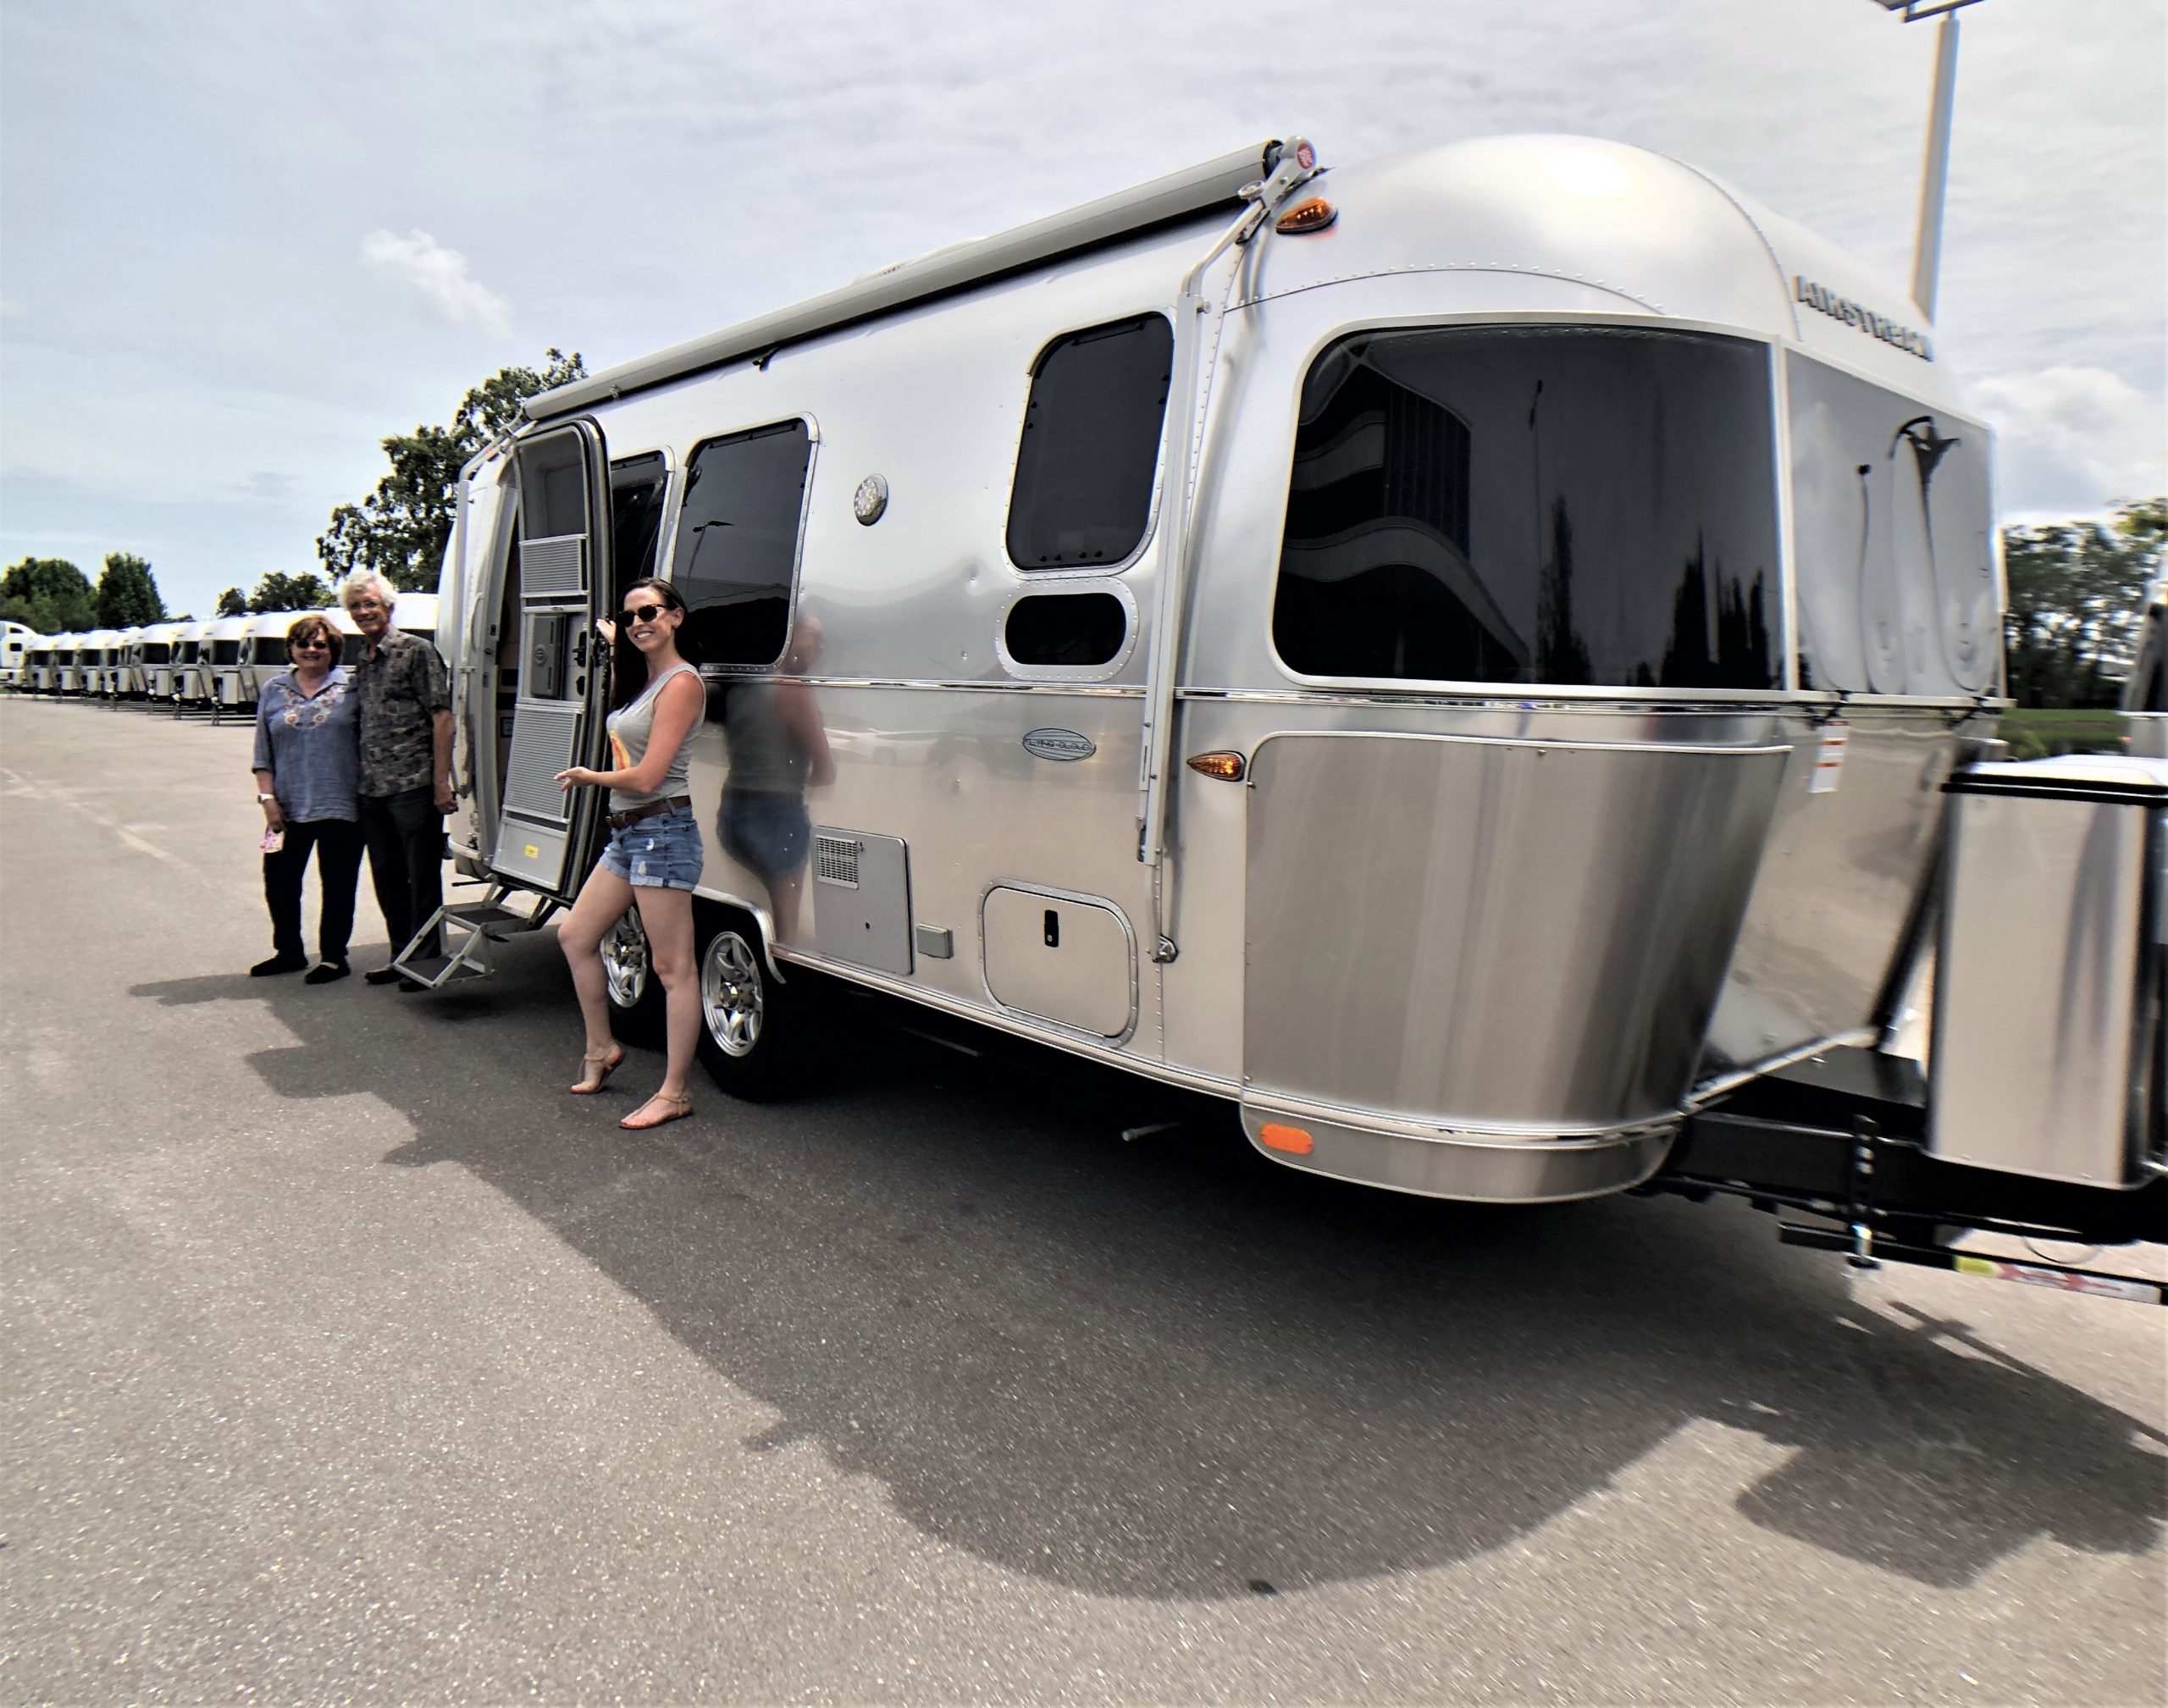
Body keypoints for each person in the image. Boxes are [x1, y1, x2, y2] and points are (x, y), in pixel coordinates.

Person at [555, 578, 708, 1130]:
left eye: (650, 612)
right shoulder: (647, 680)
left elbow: (647, 777)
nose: (640, 622)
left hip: (661, 831)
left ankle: (675, 1092)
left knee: (673, 968)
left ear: (676, 616)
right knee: (575, 936)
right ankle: (601, 1047)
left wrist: (588, 776)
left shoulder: (682, 684)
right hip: (629, 833)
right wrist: (615, 638)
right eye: (630, 616)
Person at [340, 571, 454, 986]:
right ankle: (400, 955)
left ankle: (424, 962)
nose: (363, 612)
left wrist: (440, 783)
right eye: (356, 606)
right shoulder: (363, 660)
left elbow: (443, 719)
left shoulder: (416, 652)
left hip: (413, 784)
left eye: (370, 603)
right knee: (387, 877)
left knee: (420, 877)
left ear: (388, 606)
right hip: (373, 788)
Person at [248, 612, 362, 982]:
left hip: (342, 805)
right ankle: (289, 952)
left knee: (338, 884)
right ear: (291, 649)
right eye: (303, 643)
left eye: (320, 644)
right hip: (286, 807)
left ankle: (333, 957)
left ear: (333, 650)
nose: (311, 650)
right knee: (279, 882)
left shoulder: (352, 688)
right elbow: (262, 752)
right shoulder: (273, 690)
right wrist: (267, 799)